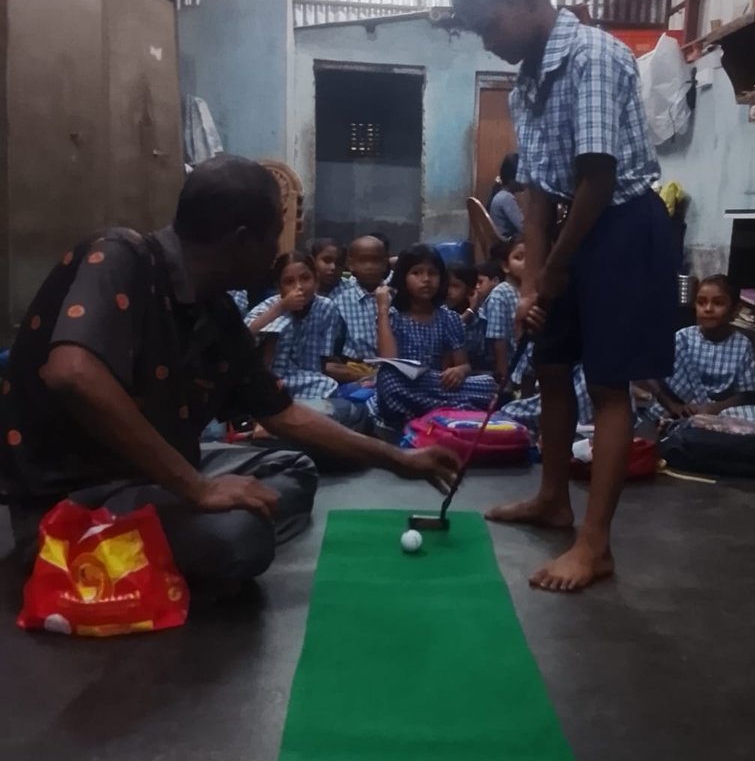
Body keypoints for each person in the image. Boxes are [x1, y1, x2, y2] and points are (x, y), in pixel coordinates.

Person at [0, 155, 457, 596]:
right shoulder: (121, 256)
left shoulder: (215, 308)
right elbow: (72, 373)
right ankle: (97, 554)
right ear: (241, 240)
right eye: (274, 237)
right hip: (76, 502)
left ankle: (166, 540)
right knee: (239, 540)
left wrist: (401, 460)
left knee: (292, 468)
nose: (279, 252)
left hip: (156, 475)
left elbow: (284, 415)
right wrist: (196, 488)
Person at [452, 0, 675, 592]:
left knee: (606, 386)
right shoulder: (524, 83)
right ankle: (553, 499)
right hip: (573, 232)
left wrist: (555, 269)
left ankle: (595, 545)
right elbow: (539, 190)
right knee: (550, 366)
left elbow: (597, 181)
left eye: (489, 24)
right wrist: (531, 277)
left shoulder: (595, 57)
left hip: (624, 228)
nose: (488, 41)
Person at [374, 244, 497, 427]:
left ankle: (429, 411)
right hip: (407, 384)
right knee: (388, 379)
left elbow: (463, 364)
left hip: (438, 385)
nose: (426, 279)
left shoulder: (449, 318)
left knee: (487, 384)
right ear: (403, 279)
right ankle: (453, 410)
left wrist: (459, 371)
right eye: (416, 273)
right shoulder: (393, 317)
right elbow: (389, 359)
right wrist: (383, 309)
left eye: (432, 273)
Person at [643, 275, 755, 432]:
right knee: (664, 417)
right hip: (682, 406)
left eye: (718, 303)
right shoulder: (682, 338)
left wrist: (716, 408)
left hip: (722, 409)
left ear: (735, 309)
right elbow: (651, 372)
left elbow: (747, 393)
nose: (708, 309)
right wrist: (673, 405)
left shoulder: (742, 345)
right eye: (701, 302)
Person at [244, 252, 342, 401]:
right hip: (271, 378)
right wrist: (281, 307)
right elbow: (244, 335)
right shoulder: (271, 306)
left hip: (308, 379)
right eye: (289, 282)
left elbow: (323, 359)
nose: (299, 287)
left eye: (305, 278)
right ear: (279, 287)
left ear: (316, 279)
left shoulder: (327, 308)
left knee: (329, 386)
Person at [330, 235, 391, 375]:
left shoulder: (395, 296)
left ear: (384, 263)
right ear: (351, 264)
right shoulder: (340, 300)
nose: (369, 267)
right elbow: (335, 345)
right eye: (363, 261)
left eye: (375, 260)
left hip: (391, 365)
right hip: (355, 367)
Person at [483, 235, 527, 381]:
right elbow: (498, 339)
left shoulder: (532, 292)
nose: (526, 263)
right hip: (510, 366)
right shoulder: (501, 293)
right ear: (506, 266)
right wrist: (503, 375)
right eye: (519, 258)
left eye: (531, 258)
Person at [446, 262, 488, 372]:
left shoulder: (482, 320)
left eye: (455, 286)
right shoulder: (440, 315)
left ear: (470, 291)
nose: (448, 291)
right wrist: (469, 311)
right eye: (445, 285)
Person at [488, 152, 525, 239]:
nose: (524, 180)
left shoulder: (500, 195)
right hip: (506, 247)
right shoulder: (506, 198)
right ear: (512, 179)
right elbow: (524, 228)